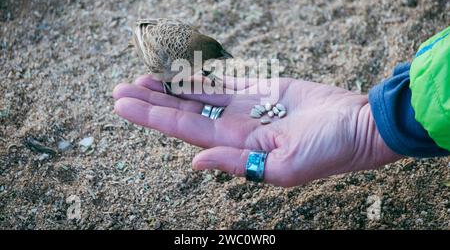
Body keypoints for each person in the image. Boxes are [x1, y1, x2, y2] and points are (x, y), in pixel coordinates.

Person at [112, 25, 450, 187]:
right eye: (216, 58)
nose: (225, 60)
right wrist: (374, 124)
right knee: (166, 78)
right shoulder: (174, 56)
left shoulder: (196, 49)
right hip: (162, 50)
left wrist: (372, 126)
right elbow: (150, 40)